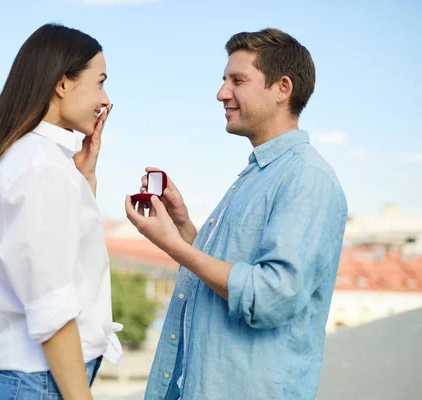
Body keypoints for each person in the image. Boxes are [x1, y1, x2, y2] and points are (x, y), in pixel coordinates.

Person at [125, 28, 348, 400]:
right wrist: (183, 229)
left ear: (282, 88)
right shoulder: (259, 174)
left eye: (237, 80)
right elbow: (224, 276)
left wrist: (176, 249)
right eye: (224, 80)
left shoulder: (307, 177)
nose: (221, 93)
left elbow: (271, 296)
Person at [0, 23, 122, 400]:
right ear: (62, 84)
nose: (105, 97)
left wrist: (85, 177)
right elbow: (51, 309)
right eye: (99, 81)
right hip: (41, 384)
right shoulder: (42, 169)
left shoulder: (36, 161)